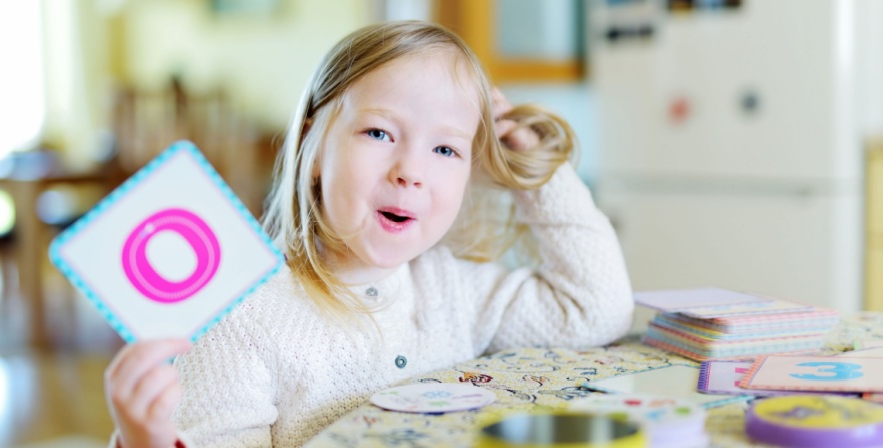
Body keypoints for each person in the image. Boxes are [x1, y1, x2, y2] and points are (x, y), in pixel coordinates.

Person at [103, 20, 633, 448]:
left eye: (445, 149)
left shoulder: (456, 289)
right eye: (379, 132)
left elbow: (595, 308)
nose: (411, 170)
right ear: (313, 147)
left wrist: (539, 172)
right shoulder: (239, 314)